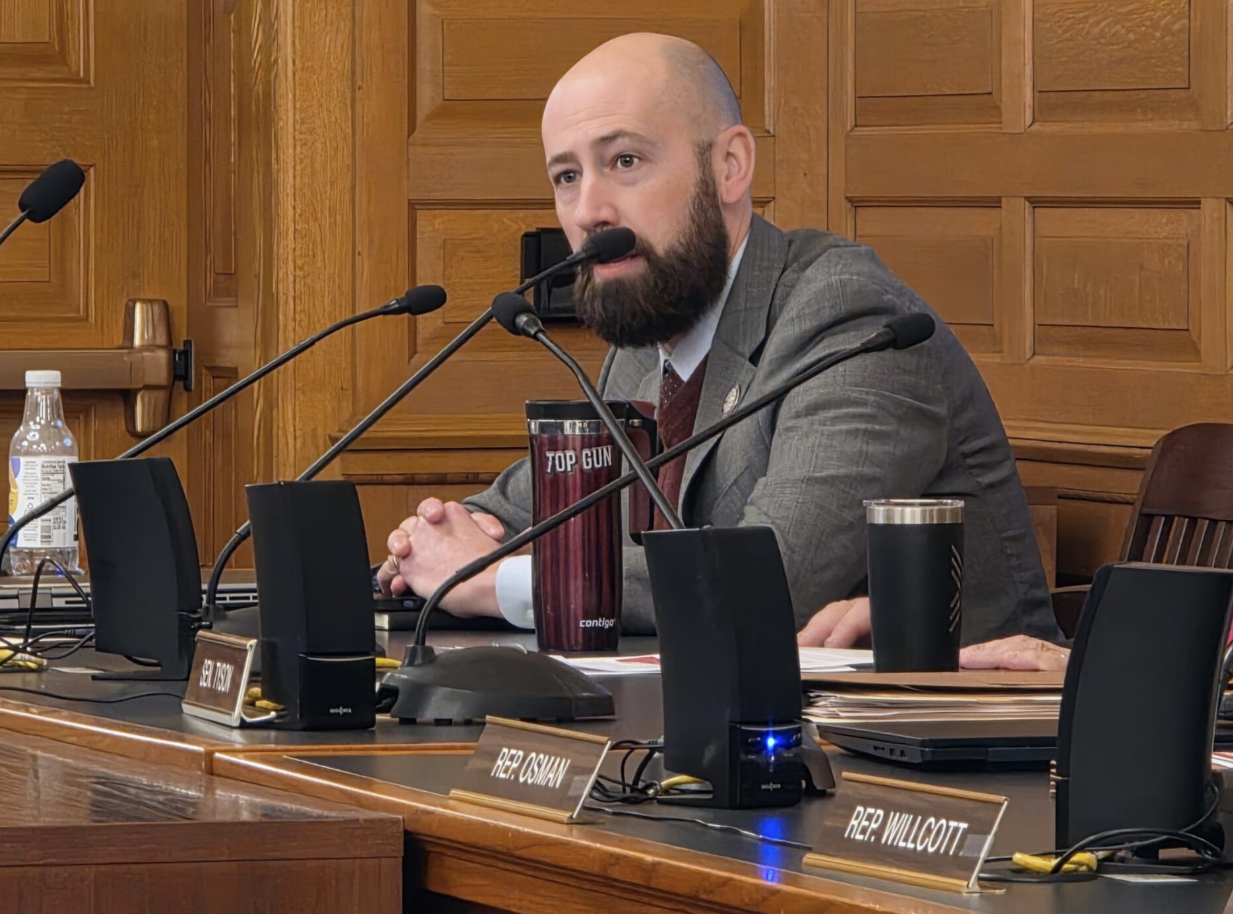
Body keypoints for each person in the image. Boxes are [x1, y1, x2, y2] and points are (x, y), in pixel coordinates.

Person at [376, 33, 1061, 647]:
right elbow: (521, 509)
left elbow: (770, 573)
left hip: (959, 757)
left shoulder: (850, 319)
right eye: (567, 176)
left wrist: (496, 584)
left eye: (624, 161)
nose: (588, 211)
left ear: (731, 165)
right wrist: (438, 538)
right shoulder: (651, 331)